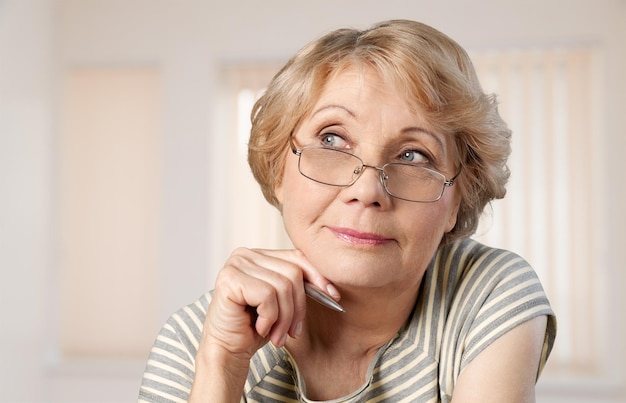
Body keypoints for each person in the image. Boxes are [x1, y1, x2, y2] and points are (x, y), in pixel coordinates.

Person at [139, 19, 556, 402]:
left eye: (414, 155)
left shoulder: (489, 292)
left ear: (458, 201)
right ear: (278, 171)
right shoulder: (195, 341)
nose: (367, 190)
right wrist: (223, 367)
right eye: (332, 140)